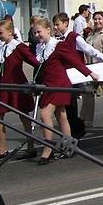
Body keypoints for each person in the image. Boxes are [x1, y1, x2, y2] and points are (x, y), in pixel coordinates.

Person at [32, 17, 98, 164]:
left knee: (45, 114)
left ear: (48, 30)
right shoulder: (40, 48)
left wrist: (90, 73)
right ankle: (69, 146)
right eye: (34, 33)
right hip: (49, 85)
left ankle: (47, 149)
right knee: (61, 114)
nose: (37, 35)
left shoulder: (58, 45)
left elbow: (74, 61)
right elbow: (39, 68)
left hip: (60, 85)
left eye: (39, 32)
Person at [53, 12, 103, 139]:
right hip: (63, 75)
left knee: (70, 104)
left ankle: (76, 130)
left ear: (65, 24)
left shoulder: (74, 37)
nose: (55, 27)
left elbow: (88, 49)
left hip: (73, 75)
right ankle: (73, 129)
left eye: (57, 24)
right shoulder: (57, 40)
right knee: (66, 105)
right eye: (54, 25)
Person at [0, 19, 39, 161]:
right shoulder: (1, 48)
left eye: (1, 33)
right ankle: (2, 148)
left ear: (10, 32)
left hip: (17, 84)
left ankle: (31, 147)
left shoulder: (18, 47)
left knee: (23, 115)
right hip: (4, 86)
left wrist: (37, 79)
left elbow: (35, 62)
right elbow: (0, 70)